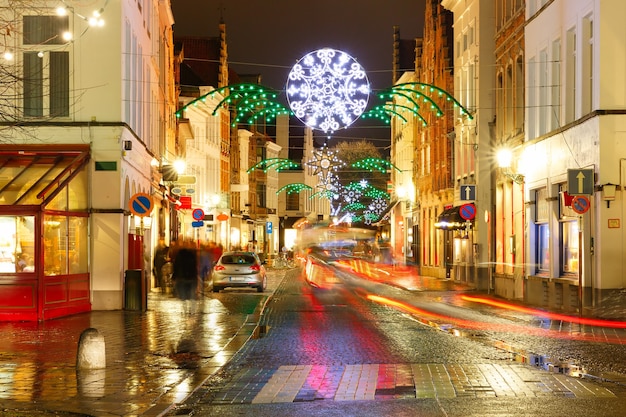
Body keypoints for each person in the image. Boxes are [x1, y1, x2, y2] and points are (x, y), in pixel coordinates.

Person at [171, 240, 198, 313]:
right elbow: (195, 267)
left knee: (183, 295)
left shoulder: (179, 255)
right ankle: (191, 310)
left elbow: (176, 267)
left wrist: (174, 277)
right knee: (191, 295)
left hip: (182, 277)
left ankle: (185, 309)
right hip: (190, 277)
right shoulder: (192, 254)